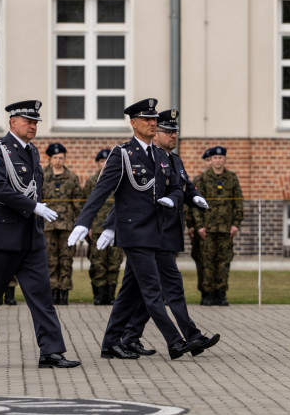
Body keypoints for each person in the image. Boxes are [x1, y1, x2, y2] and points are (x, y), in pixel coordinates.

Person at [68, 98, 200, 361]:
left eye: (154, 120)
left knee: (129, 293)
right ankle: (175, 341)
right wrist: (84, 222)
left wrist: (176, 199)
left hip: (156, 232)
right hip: (134, 232)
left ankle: (110, 343)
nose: (153, 124)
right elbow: (102, 190)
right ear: (134, 123)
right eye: (148, 120)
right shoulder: (123, 154)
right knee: (152, 291)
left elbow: (175, 186)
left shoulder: (158, 155)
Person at [0, 99, 80, 370]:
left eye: (35, 122)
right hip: (3, 235)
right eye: (28, 121)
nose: (33, 126)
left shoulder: (33, 152)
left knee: (42, 296)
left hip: (31, 236)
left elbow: (33, 186)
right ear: (13, 122)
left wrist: (35, 209)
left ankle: (51, 351)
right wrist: (33, 206)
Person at [98, 109, 219, 357]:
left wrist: (194, 196)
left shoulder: (172, 160)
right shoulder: (136, 156)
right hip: (145, 233)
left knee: (136, 290)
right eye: (168, 131)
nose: (173, 136)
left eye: (175, 131)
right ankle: (182, 338)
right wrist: (111, 226)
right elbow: (127, 198)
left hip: (164, 232)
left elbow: (183, 186)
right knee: (158, 288)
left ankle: (125, 338)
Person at [194, 145, 244, 306]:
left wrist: (236, 224)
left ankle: (221, 293)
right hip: (207, 229)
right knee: (207, 261)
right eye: (215, 158)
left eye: (220, 158)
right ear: (211, 160)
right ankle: (207, 294)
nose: (218, 160)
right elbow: (196, 204)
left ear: (224, 159)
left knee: (224, 262)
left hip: (226, 229)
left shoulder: (231, 178)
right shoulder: (202, 179)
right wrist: (199, 226)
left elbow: (238, 203)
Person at [42, 142, 83, 305]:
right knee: (49, 259)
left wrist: (81, 224)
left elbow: (78, 202)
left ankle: (64, 291)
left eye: (61, 157)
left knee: (66, 259)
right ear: (50, 159)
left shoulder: (72, 178)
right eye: (55, 158)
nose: (58, 161)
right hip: (47, 225)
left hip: (67, 226)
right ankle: (52, 290)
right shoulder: (42, 176)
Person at [82, 149, 123, 305]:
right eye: (101, 162)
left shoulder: (120, 180)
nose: (104, 165)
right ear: (97, 163)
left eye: (107, 162)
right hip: (97, 229)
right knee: (98, 263)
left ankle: (111, 296)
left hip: (116, 228)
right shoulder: (92, 182)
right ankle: (99, 296)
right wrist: (87, 226)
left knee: (114, 263)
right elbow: (86, 206)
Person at [187, 148, 214, 296]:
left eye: (213, 159)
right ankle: (205, 292)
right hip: (201, 228)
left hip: (217, 227)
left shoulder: (228, 178)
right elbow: (191, 207)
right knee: (202, 260)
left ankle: (218, 292)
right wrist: (192, 225)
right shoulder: (198, 181)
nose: (211, 163)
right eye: (208, 160)